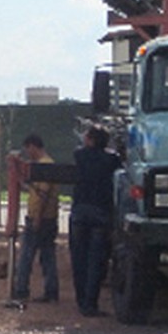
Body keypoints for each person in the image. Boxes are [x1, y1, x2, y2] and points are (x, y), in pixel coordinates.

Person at [70, 125, 120, 317]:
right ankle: (91, 303)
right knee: (96, 261)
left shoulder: (80, 155)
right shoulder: (111, 160)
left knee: (79, 259)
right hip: (101, 212)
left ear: (90, 139)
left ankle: (81, 300)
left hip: (81, 211)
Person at [6, 134, 60, 307]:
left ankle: (21, 290)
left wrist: (37, 218)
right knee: (47, 256)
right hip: (48, 218)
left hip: (41, 218)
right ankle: (51, 291)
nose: (27, 154)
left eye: (27, 149)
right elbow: (35, 190)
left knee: (27, 256)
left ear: (32, 146)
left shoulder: (45, 167)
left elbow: (43, 195)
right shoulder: (44, 166)